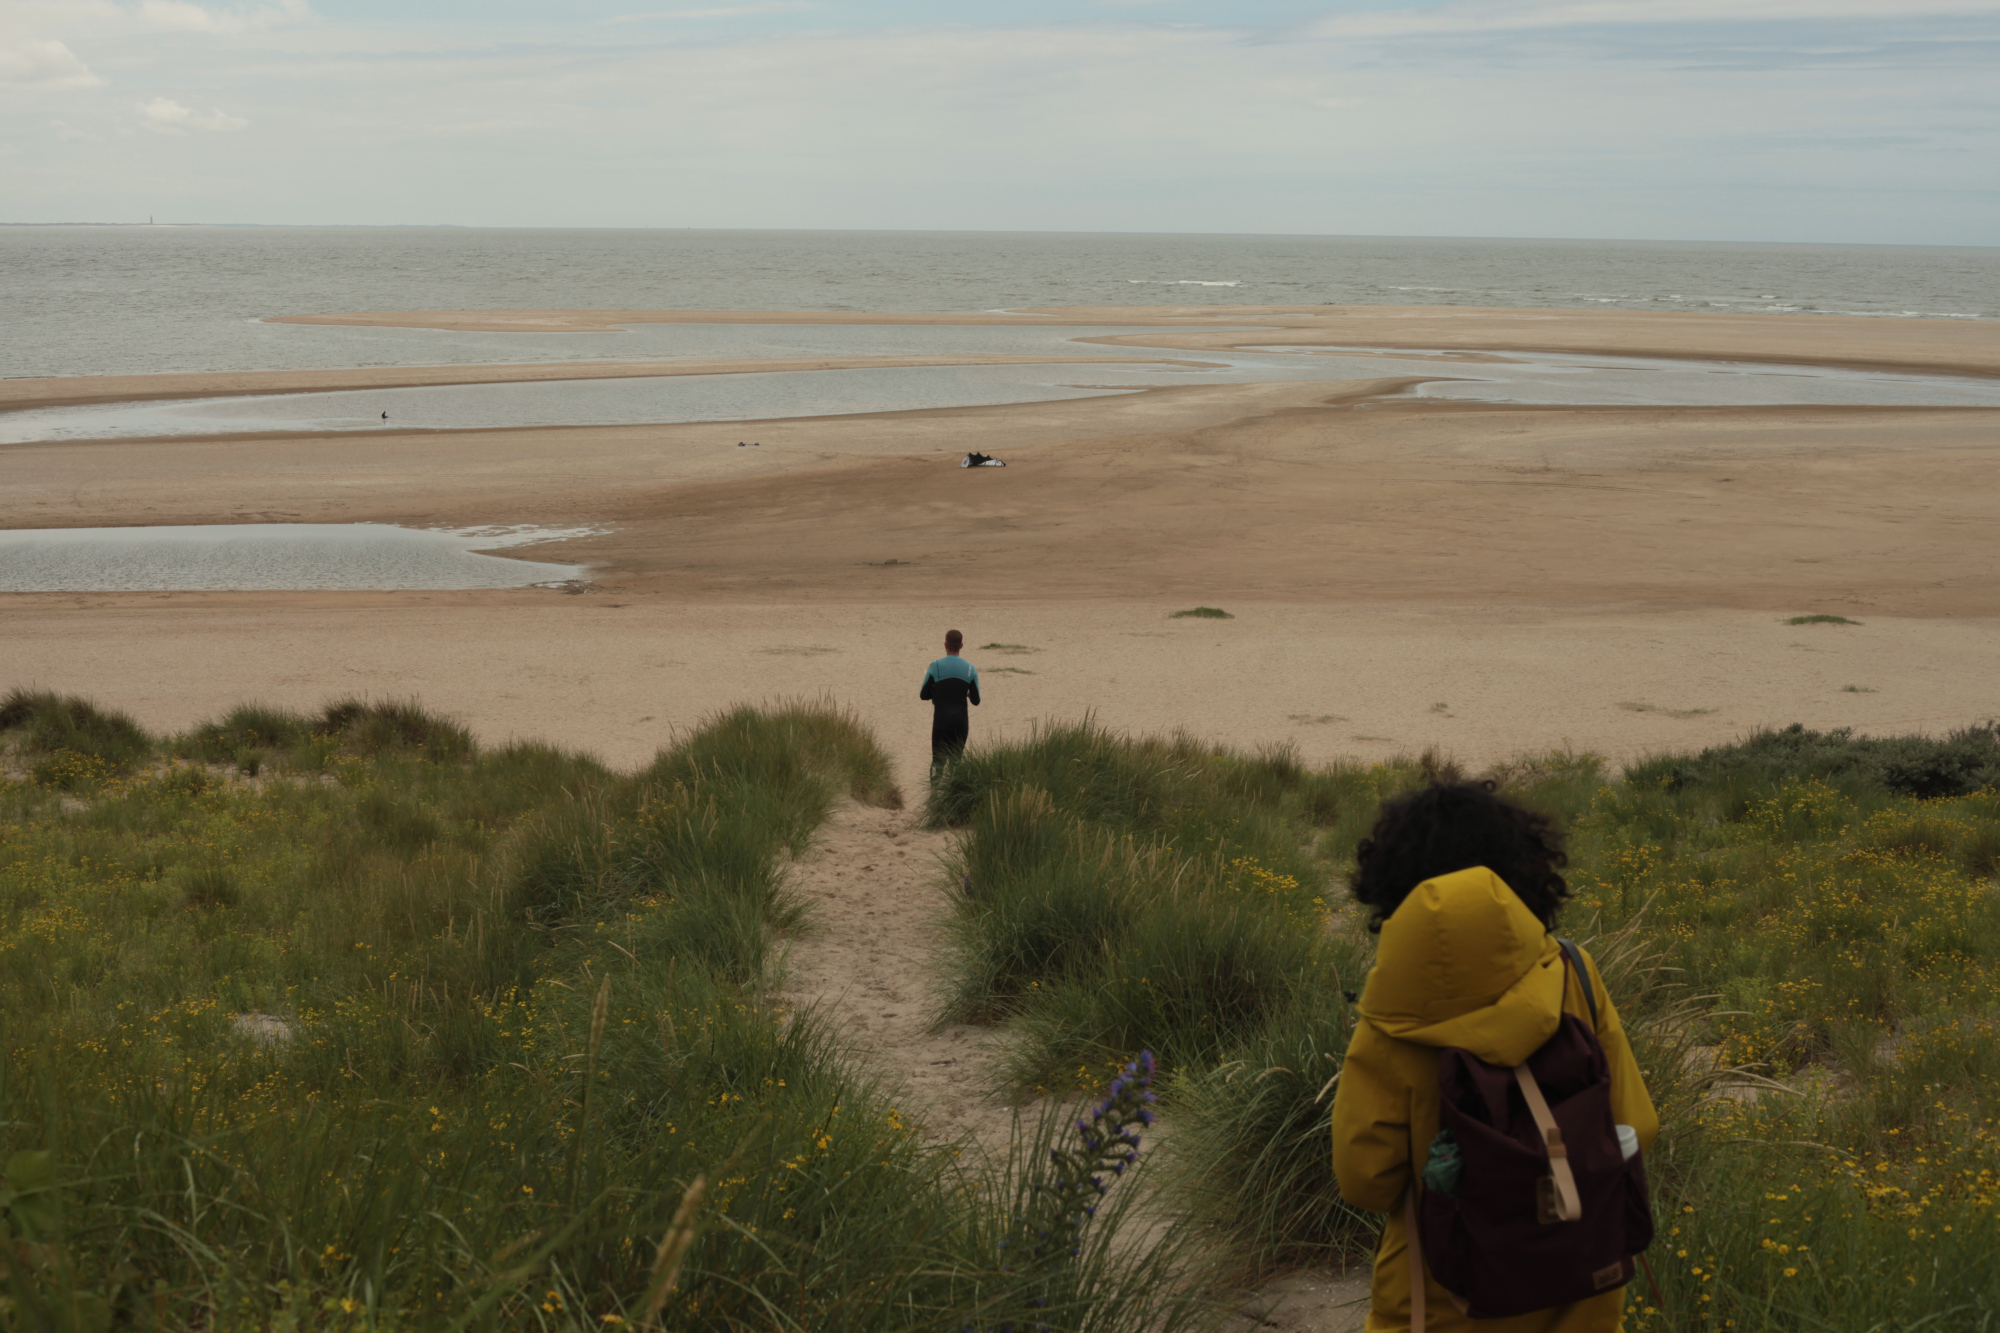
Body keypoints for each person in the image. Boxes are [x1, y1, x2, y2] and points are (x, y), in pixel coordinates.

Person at [1330, 779, 1658, 1333]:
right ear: (1521, 872)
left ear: (1395, 887)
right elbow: (1636, 1126)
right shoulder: (1574, 974)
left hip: (1443, 1297)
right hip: (1582, 1288)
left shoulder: (1391, 1021)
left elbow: (1366, 1181)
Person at [919, 630, 980, 781]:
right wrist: (966, 693)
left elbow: (923, 695)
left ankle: (934, 792)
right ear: (961, 646)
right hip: (960, 722)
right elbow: (976, 700)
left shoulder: (935, 666)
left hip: (941, 721)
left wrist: (937, 693)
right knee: (956, 761)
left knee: (937, 761)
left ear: (945, 645)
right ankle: (953, 792)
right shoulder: (970, 668)